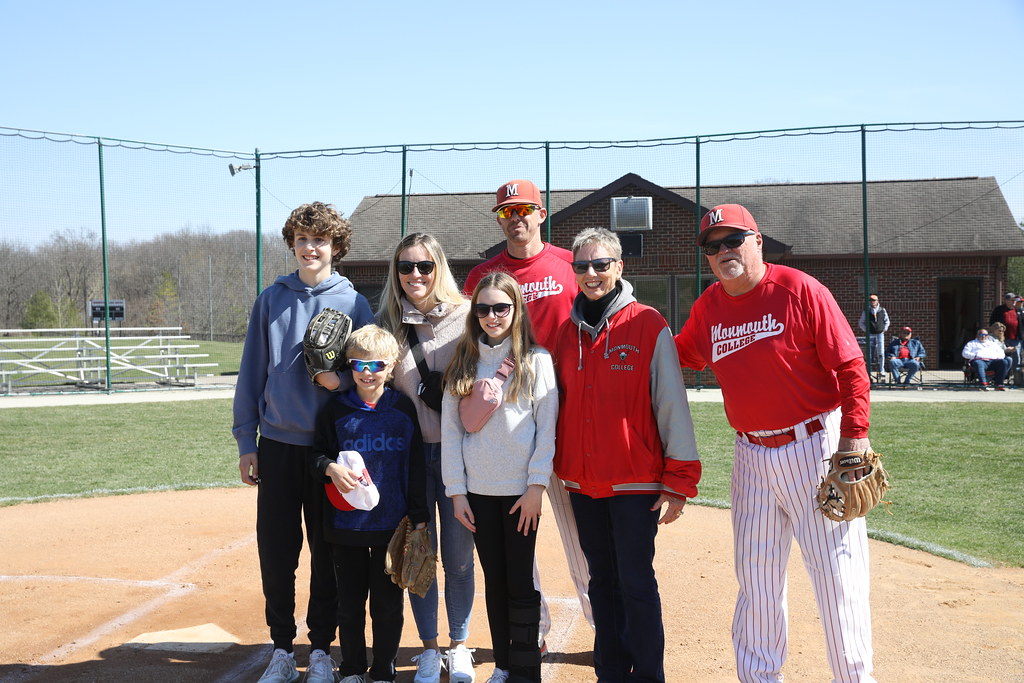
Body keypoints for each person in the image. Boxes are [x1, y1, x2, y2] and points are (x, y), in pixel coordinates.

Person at [674, 204, 877, 683]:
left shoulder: (800, 290)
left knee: (837, 580)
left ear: (757, 240)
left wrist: (854, 438)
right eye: (712, 246)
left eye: (733, 239)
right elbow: (679, 354)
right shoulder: (709, 308)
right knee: (757, 582)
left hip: (816, 448)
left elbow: (851, 368)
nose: (723, 251)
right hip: (750, 454)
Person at [550, 228, 701, 683]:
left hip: (635, 482)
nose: (591, 273)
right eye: (582, 266)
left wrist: (679, 478)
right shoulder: (565, 332)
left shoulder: (648, 323)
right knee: (601, 581)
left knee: (635, 581)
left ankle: (649, 675)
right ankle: (611, 673)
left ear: (619, 267)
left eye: (601, 264)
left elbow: (671, 403)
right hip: (582, 481)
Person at [233, 201, 374, 683]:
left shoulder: (355, 303)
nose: (311, 248)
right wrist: (244, 440)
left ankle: (319, 648)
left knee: (327, 550)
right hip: (276, 442)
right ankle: (279, 646)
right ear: (292, 244)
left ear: (336, 246)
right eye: (302, 239)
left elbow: (371, 373)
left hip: (332, 448)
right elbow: (251, 372)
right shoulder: (272, 299)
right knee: (276, 549)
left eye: (320, 240)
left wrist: (342, 382)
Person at [463, 179, 594, 645]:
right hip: (510, 427)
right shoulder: (484, 275)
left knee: (581, 533)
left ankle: (603, 627)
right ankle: (530, 627)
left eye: (524, 209)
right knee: (520, 535)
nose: (515, 218)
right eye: (505, 212)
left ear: (542, 213)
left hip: (571, 413)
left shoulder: (569, 264)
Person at [442, 271, 559, 683]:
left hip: (519, 496)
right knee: (494, 581)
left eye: (501, 308)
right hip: (477, 494)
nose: (492, 316)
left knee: (521, 582)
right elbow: (451, 433)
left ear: (516, 309)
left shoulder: (536, 360)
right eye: (484, 309)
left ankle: (526, 668)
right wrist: (457, 493)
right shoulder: (464, 360)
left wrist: (535, 487)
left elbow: (547, 430)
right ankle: (505, 666)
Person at [376, 233, 477, 683]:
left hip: (461, 457)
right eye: (405, 267)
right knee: (419, 553)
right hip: (410, 461)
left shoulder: (473, 315)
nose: (414, 275)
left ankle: (459, 645)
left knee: (458, 557)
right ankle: (430, 648)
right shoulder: (389, 323)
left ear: (439, 267)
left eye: (424, 266)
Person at [310, 325, 428, 683]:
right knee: (349, 605)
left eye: (376, 364)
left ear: (391, 366)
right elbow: (315, 456)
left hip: (391, 526)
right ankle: (352, 669)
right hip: (346, 528)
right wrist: (328, 467)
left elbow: (416, 466)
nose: (367, 372)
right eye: (358, 363)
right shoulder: (335, 410)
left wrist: (419, 516)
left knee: (387, 606)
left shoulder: (403, 409)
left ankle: (382, 670)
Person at [858, 293, 889, 380]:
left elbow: (887, 321)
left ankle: (882, 370)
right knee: (870, 353)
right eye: (871, 300)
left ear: (877, 301)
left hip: (880, 334)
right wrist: (866, 330)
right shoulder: (866, 311)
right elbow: (861, 322)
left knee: (881, 353)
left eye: (874, 300)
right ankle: (869, 371)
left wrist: (884, 329)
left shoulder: (882, 310)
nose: (872, 302)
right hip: (870, 335)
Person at [989, 292, 1021, 375]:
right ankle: (1003, 376)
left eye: (1014, 300)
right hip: (1001, 339)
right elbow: (992, 322)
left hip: (1015, 339)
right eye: (1012, 300)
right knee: (1002, 356)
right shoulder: (999, 309)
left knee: (1016, 357)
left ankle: (1016, 377)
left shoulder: (1018, 310)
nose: (1014, 302)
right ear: (1006, 300)